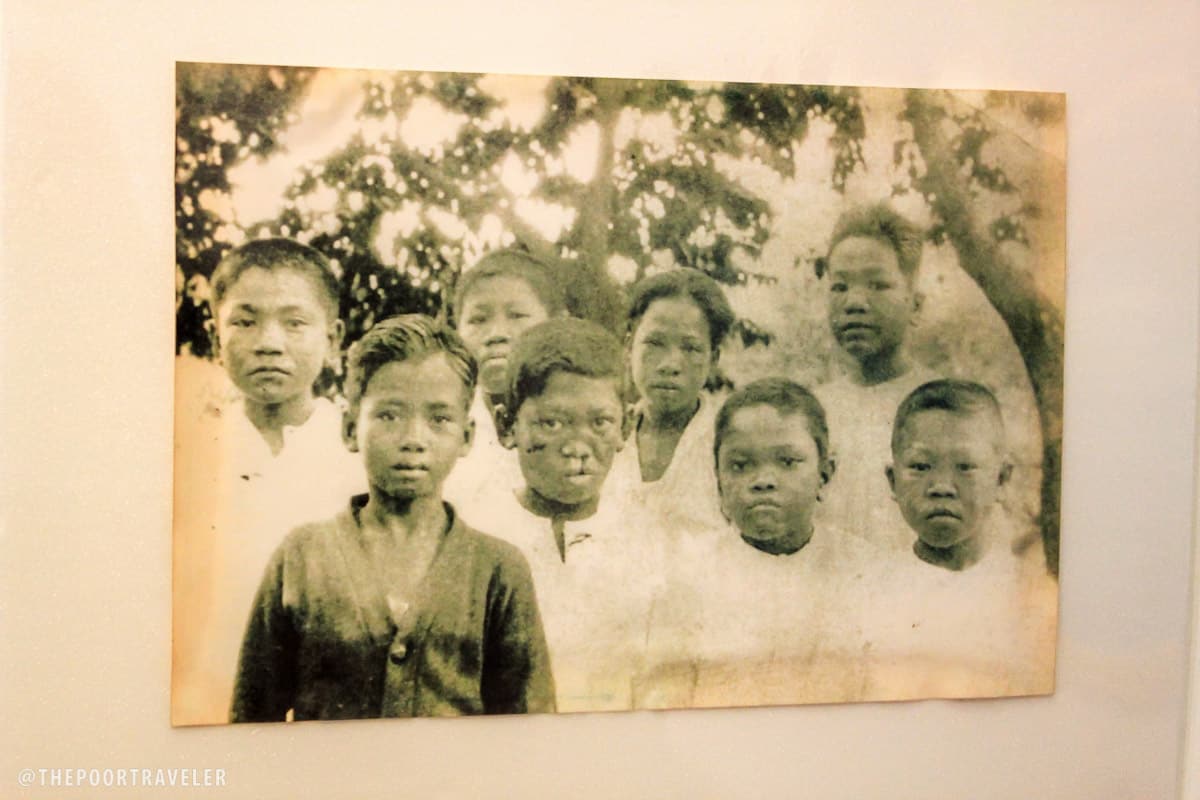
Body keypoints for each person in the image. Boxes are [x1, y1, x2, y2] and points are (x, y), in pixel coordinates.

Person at [231, 315, 555, 721]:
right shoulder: (301, 557)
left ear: (467, 436)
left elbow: (529, 728)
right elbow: (251, 721)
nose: (413, 439)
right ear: (350, 428)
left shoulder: (499, 570)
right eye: (389, 415)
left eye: (439, 419)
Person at [172, 238, 364, 726]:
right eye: (245, 321)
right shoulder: (188, 443)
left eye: (295, 322)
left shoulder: (358, 450)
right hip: (205, 696)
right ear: (218, 335)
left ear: (334, 338)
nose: (269, 342)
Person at [638, 379, 871, 709]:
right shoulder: (686, 579)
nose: (763, 481)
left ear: (825, 472)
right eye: (740, 465)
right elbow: (663, 706)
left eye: (787, 461)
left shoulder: (864, 572)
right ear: (718, 478)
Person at [480, 318, 658, 713]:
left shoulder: (648, 543)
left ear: (626, 426)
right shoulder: (479, 536)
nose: (577, 446)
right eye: (552, 423)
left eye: (600, 423)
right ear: (507, 425)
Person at [856, 379, 1056, 700]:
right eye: (920, 466)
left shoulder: (1026, 586)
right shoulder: (871, 592)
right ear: (893, 481)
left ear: (1002, 479)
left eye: (965, 467)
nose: (941, 487)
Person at [813, 203, 940, 553]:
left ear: (915, 305)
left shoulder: (943, 407)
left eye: (877, 285)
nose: (855, 302)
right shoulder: (809, 411)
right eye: (840, 287)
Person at [605, 268, 735, 541]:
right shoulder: (605, 433)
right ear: (629, 347)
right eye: (654, 343)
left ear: (713, 358)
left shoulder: (731, 441)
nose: (670, 365)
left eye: (690, 348)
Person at [444, 248, 567, 526]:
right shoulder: (445, 425)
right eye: (478, 319)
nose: (496, 334)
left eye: (517, 315)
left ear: (556, 323)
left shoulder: (586, 419)